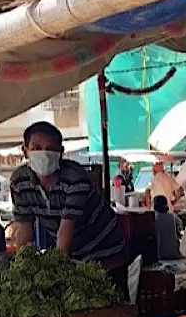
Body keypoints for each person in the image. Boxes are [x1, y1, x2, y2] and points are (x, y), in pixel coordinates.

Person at [11, 122, 129, 297]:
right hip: (74, 256)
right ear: (25, 150)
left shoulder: (75, 179)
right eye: (36, 147)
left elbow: (64, 232)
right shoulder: (19, 182)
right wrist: (22, 272)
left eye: (50, 149)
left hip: (106, 251)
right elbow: (24, 230)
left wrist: (55, 277)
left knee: (110, 305)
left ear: (61, 152)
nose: (43, 153)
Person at [153, 195, 183, 260]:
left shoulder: (154, 218)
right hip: (175, 253)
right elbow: (181, 225)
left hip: (160, 255)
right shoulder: (172, 216)